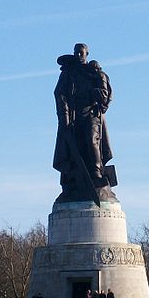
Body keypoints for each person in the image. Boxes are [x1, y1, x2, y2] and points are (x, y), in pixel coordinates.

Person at [52, 43, 115, 202]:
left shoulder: (94, 73)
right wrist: (64, 117)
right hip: (73, 115)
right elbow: (60, 94)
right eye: (76, 53)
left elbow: (106, 96)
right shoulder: (69, 73)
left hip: (91, 113)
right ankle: (73, 178)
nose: (79, 56)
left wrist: (91, 92)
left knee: (91, 140)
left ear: (87, 54)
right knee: (73, 147)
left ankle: (96, 173)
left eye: (82, 53)